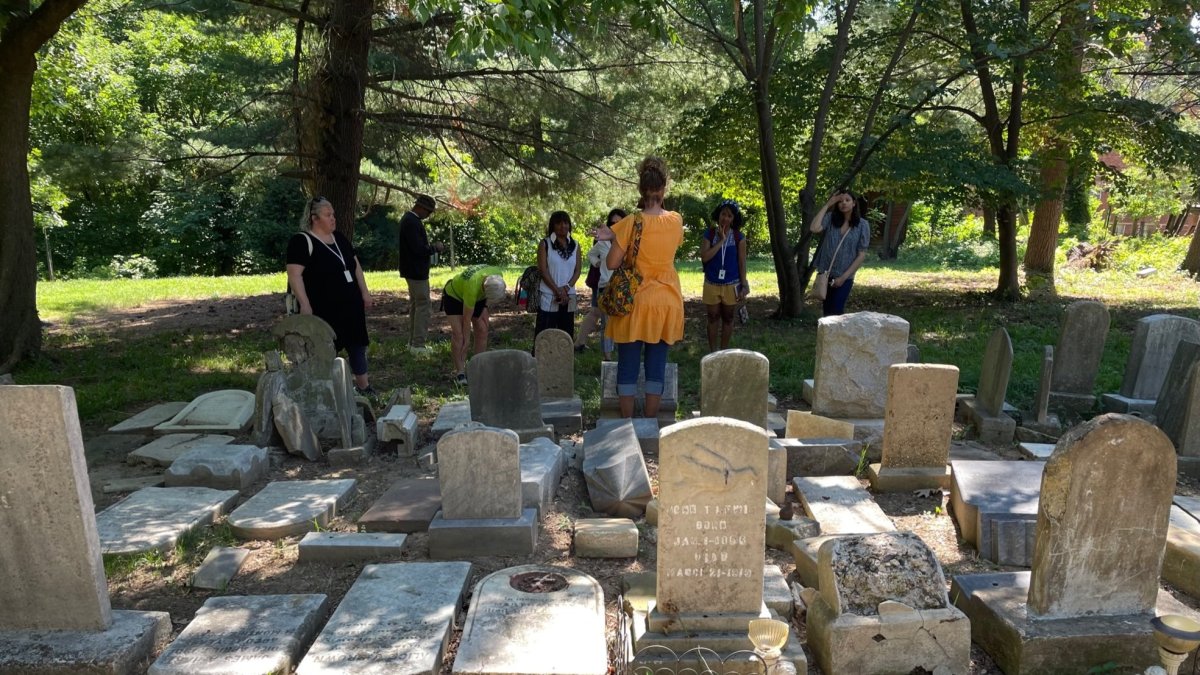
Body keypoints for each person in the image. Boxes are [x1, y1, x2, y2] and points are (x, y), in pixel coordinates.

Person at [593, 157, 684, 419]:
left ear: (640, 191)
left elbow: (612, 262)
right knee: (657, 364)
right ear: (663, 190)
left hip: (633, 302)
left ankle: (627, 425)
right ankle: (650, 424)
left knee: (628, 364)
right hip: (667, 301)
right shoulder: (676, 220)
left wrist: (615, 235)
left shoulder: (632, 222)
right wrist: (616, 231)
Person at [286, 195, 376, 395]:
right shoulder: (302, 241)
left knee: (357, 345)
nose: (333, 218)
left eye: (333, 214)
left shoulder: (340, 238)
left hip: (350, 305)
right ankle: (320, 389)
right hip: (323, 308)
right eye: (328, 215)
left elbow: (355, 266)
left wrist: (365, 293)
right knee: (324, 349)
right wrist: (305, 304)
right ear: (314, 218)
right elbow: (294, 275)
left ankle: (364, 387)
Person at [442, 264, 506, 386]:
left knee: (482, 328)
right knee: (459, 336)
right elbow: (467, 320)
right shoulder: (472, 287)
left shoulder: (497, 275)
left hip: (478, 296)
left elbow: (487, 299)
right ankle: (460, 372)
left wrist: (485, 306)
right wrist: (467, 342)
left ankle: (478, 367)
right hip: (454, 297)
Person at [574, 208, 625, 359]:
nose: (616, 225)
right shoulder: (602, 241)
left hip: (624, 286)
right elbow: (591, 254)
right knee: (604, 319)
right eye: (613, 222)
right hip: (605, 285)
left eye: (620, 222)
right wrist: (596, 263)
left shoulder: (629, 239)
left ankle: (623, 352)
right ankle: (607, 355)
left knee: (621, 319)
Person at [809, 191, 871, 316]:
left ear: (854, 203)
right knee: (827, 312)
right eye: (840, 201)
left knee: (836, 311)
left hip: (845, 276)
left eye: (847, 200)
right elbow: (814, 228)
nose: (843, 203)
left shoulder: (862, 225)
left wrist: (843, 278)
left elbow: (861, 255)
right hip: (826, 274)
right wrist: (828, 204)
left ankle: (836, 335)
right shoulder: (831, 219)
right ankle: (827, 335)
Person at [699, 199, 748, 351]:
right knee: (712, 317)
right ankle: (713, 352)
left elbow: (742, 262)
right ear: (718, 215)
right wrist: (721, 241)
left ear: (734, 219)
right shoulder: (710, 234)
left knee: (728, 317)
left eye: (729, 216)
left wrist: (744, 284)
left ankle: (724, 351)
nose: (725, 218)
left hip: (731, 284)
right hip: (712, 283)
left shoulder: (740, 237)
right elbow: (705, 257)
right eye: (723, 214)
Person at [398, 194, 444, 354]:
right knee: (423, 306)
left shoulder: (409, 220)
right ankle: (418, 344)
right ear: (421, 208)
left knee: (416, 306)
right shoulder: (412, 222)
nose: (429, 215)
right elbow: (418, 250)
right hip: (416, 271)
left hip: (412, 270)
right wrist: (434, 248)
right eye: (429, 212)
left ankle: (413, 343)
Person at [535, 210, 581, 339]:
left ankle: (565, 359)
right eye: (559, 223)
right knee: (544, 333)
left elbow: (578, 270)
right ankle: (540, 359)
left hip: (569, 295)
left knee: (566, 334)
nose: (563, 226)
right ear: (552, 226)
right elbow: (543, 270)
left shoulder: (576, 245)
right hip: (549, 295)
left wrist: (566, 288)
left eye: (566, 222)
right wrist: (557, 290)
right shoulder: (545, 244)